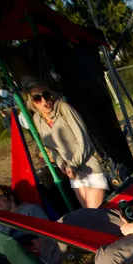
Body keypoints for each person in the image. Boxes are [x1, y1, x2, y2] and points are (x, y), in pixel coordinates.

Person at [24, 80, 108, 209]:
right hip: (73, 174)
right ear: (32, 103)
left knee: (94, 213)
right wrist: (63, 165)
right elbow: (52, 149)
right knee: (88, 215)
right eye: (37, 98)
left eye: (46, 95)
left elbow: (84, 141)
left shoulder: (64, 108)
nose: (44, 101)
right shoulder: (37, 119)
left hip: (89, 167)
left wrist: (72, 164)